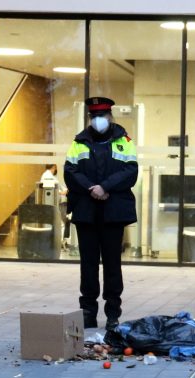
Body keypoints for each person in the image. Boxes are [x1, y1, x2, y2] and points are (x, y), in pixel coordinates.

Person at [63, 97, 138, 330]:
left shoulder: (124, 141)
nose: (98, 120)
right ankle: (88, 311)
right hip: (86, 212)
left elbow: (131, 171)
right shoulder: (79, 142)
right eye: (94, 116)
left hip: (113, 212)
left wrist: (104, 186)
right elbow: (70, 171)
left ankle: (113, 312)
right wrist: (91, 189)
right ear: (90, 118)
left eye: (103, 116)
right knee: (88, 263)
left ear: (110, 116)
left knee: (112, 263)